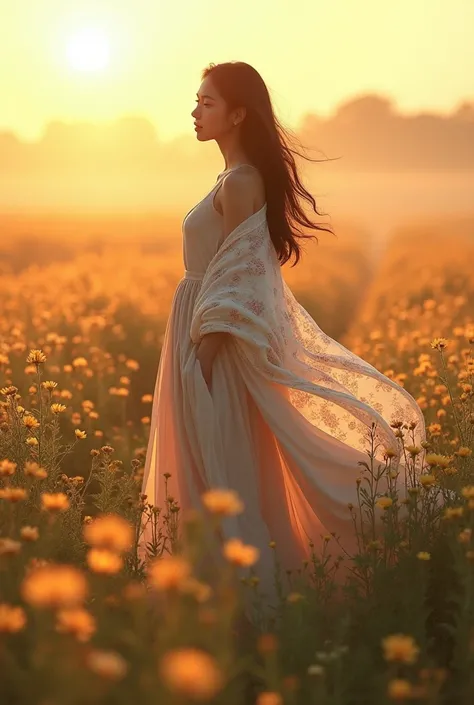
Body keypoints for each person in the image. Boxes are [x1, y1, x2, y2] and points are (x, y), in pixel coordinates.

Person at [139, 61, 426, 621]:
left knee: (220, 470)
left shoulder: (242, 182)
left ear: (239, 112)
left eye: (207, 102)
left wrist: (204, 357)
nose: (195, 111)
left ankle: (243, 612)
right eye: (197, 102)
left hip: (211, 344)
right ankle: (210, 604)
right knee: (203, 469)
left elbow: (238, 278)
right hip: (199, 334)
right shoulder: (229, 179)